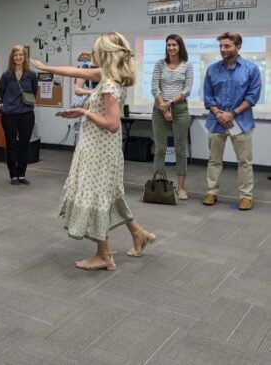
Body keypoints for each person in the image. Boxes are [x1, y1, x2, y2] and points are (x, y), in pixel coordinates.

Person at [32, 32, 156, 271]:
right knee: (110, 197)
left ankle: (104, 255)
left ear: (106, 54)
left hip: (99, 151)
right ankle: (138, 234)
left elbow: (112, 124)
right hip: (100, 149)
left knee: (94, 197)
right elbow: (75, 72)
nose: (92, 55)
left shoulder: (109, 84)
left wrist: (84, 113)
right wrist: (46, 67)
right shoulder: (111, 76)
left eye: (96, 51)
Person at [202, 32, 261, 211]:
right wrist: (219, 114)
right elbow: (208, 96)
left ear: (238, 47)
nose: (222, 49)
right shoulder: (212, 69)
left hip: (241, 122)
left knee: (244, 162)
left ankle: (245, 197)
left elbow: (252, 97)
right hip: (216, 121)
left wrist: (232, 114)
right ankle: (211, 192)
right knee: (214, 160)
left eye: (227, 46)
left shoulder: (251, 69)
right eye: (221, 46)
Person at [150, 34, 194, 200]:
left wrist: (170, 105)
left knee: (180, 149)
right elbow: (155, 88)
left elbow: (186, 90)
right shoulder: (159, 64)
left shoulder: (187, 66)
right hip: (159, 109)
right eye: (169, 45)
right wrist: (164, 108)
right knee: (160, 148)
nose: (171, 48)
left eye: (174, 45)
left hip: (180, 109)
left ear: (180, 46)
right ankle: (158, 184)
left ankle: (181, 188)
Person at [0, 44, 38, 185]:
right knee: (11, 144)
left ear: (24, 57)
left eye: (21, 55)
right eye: (15, 55)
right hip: (9, 114)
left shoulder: (31, 75)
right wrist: (11, 104)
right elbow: (2, 93)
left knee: (24, 144)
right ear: (12, 57)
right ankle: (13, 175)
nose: (18, 57)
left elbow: (34, 92)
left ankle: (22, 174)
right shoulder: (6, 75)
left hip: (27, 114)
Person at [71, 65, 97, 144]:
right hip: (90, 109)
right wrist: (91, 92)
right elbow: (77, 90)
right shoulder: (86, 68)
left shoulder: (108, 68)